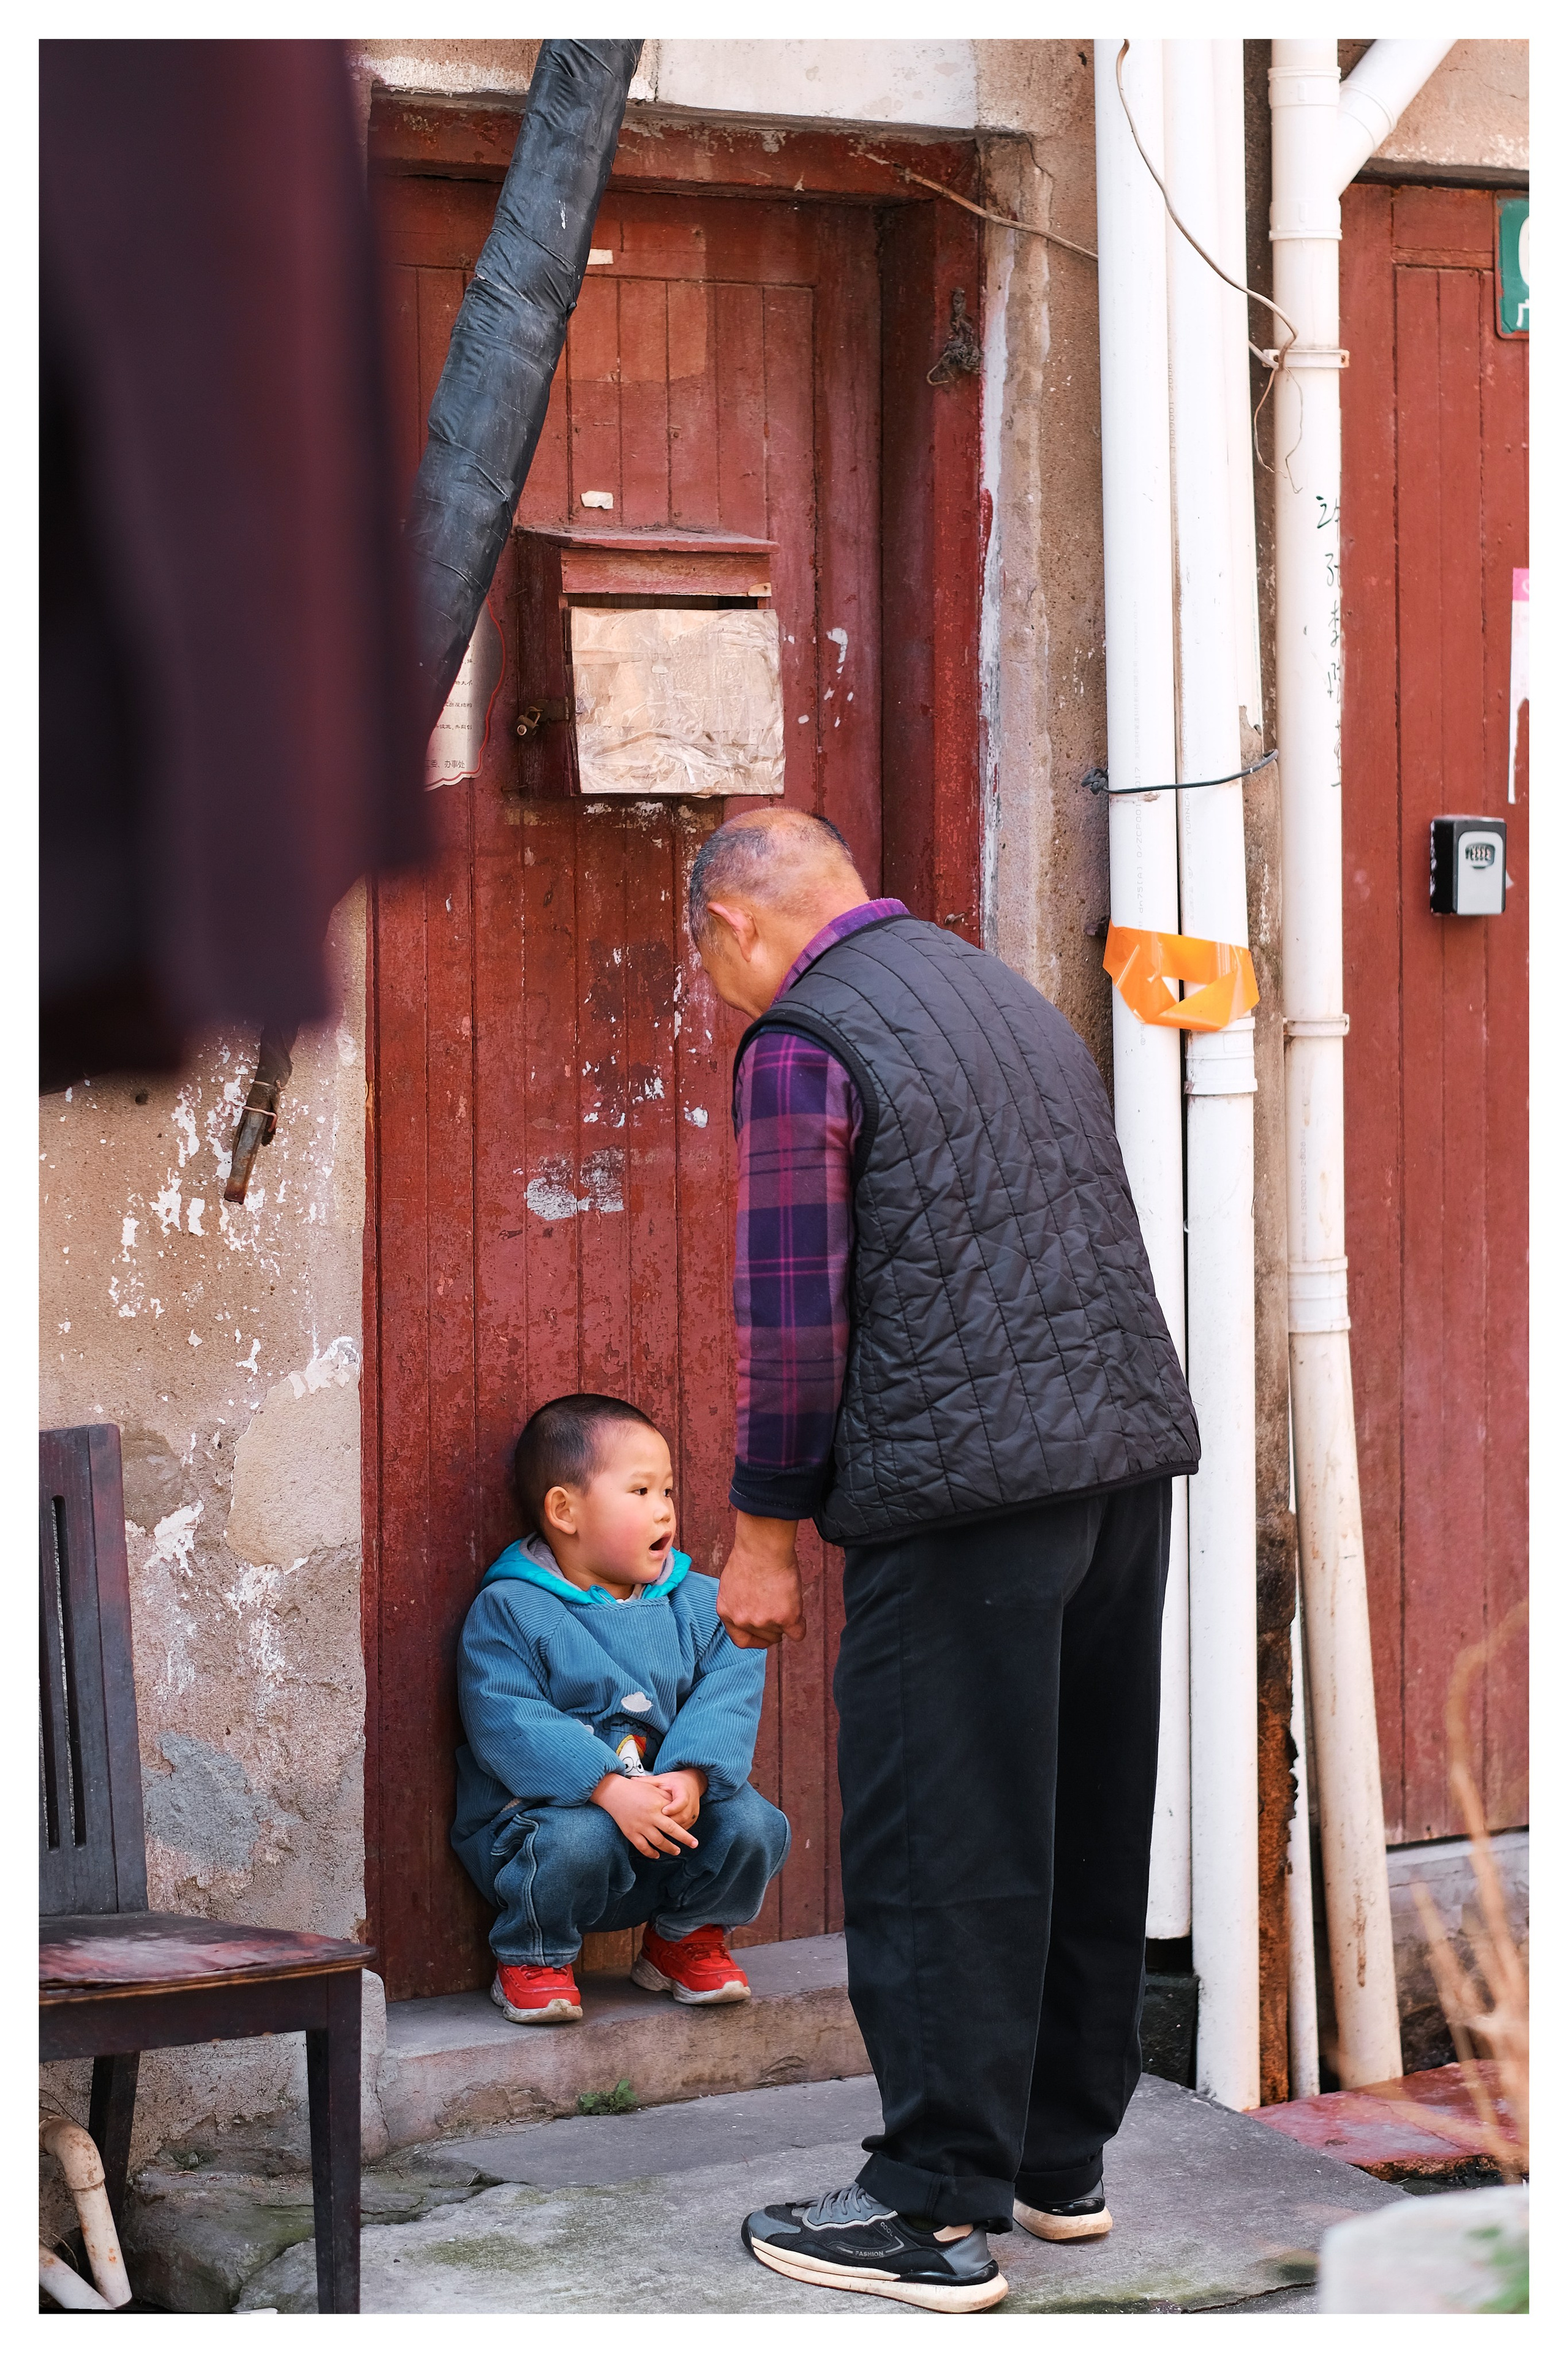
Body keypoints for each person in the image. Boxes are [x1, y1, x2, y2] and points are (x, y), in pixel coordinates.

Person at [690, 807, 1200, 2314]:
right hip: (1112, 1467)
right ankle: (1055, 2159)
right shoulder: (994, 988)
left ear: (731, 925)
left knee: (943, 1845)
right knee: (1077, 1816)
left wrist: (762, 1531)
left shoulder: (804, 1040)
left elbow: (791, 1320)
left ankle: (929, 2206)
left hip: (961, 1496)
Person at [451, 1393, 790, 2024]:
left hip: (667, 1821)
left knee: (755, 1824)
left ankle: (682, 1938)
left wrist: (691, 1775)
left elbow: (729, 1691)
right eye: (640, 1491)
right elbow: (507, 1716)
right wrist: (607, 1787)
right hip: (552, 1828)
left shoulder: (699, 1606)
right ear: (565, 1510)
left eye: (667, 1490)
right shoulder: (513, 1609)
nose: (664, 1508)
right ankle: (534, 1952)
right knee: (579, 1835)